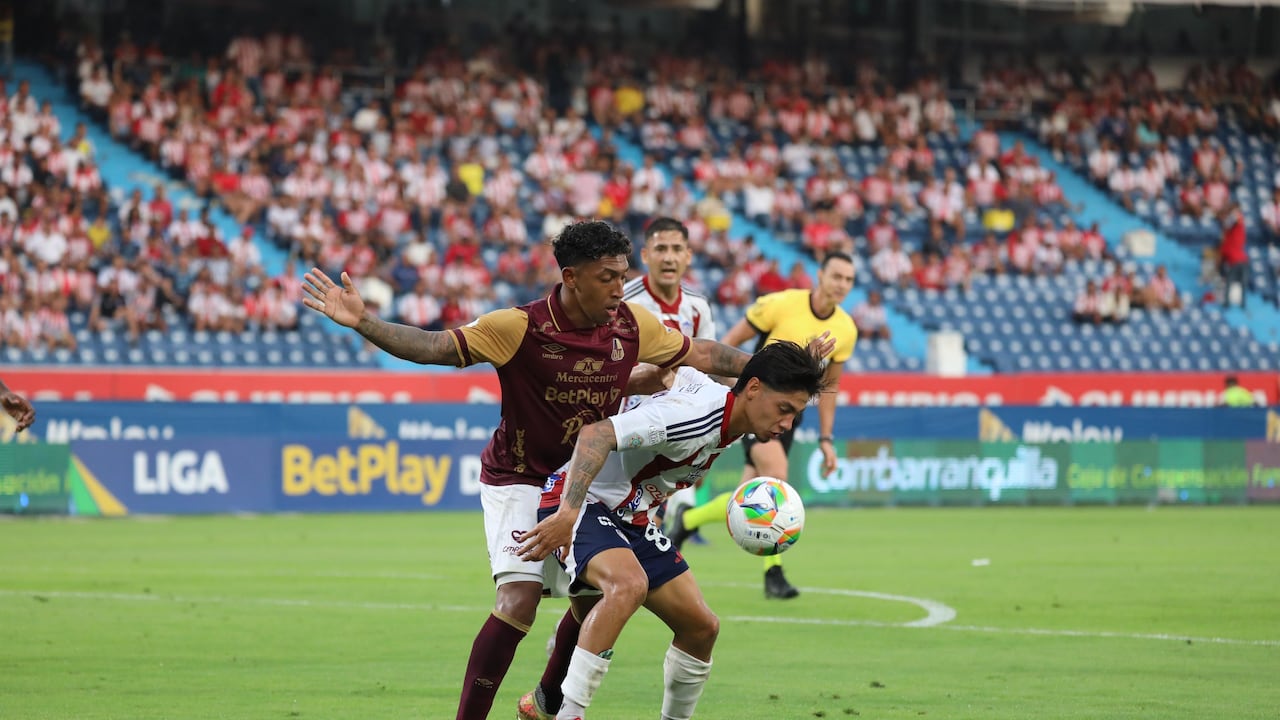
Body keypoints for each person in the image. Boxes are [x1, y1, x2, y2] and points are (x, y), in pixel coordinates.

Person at [301, 220, 756, 720]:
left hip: (585, 480)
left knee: (591, 602)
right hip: (519, 477)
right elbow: (432, 347)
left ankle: (545, 703)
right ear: (571, 276)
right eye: (606, 276)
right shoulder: (518, 326)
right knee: (520, 600)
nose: (617, 287)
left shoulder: (631, 324)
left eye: (622, 273)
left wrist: (773, 369)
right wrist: (365, 322)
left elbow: (704, 353)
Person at [517, 342, 828, 720]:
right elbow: (595, 436)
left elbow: (673, 370)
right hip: (583, 501)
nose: (787, 425)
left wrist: (793, 364)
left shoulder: (720, 405)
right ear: (754, 389)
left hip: (632, 517)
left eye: (795, 415)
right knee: (628, 585)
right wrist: (567, 514)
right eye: (785, 410)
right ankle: (569, 714)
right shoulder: (690, 418)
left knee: (701, 628)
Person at [667, 252, 858, 599]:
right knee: (776, 481)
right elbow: (729, 345)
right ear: (820, 275)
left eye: (848, 279)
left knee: (747, 493)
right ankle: (774, 573)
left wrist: (827, 438)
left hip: (790, 416)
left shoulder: (846, 329)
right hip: (757, 408)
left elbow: (830, 387)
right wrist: (731, 393)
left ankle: (688, 520)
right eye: (836, 276)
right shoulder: (781, 304)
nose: (841, 285)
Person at [621, 217, 717, 538]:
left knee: (646, 531)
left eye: (677, 249)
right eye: (661, 248)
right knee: (631, 527)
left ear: (689, 256)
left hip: (679, 432)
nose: (669, 257)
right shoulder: (625, 301)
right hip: (630, 429)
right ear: (646, 255)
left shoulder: (698, 306)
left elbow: (708, 369)